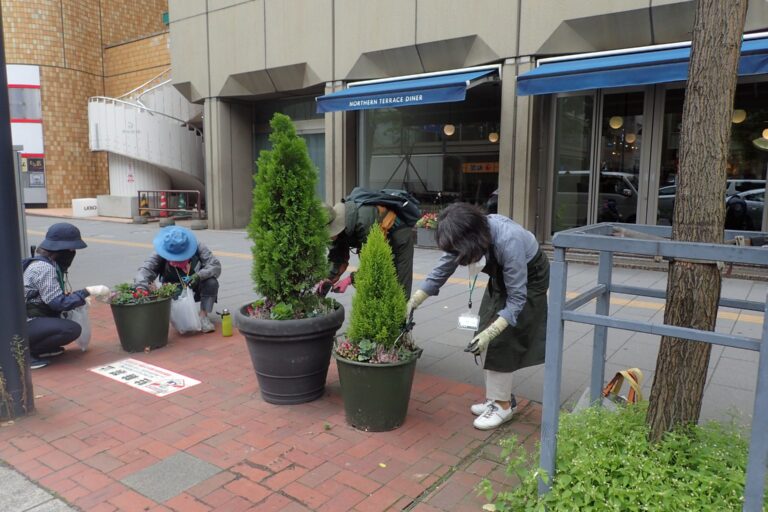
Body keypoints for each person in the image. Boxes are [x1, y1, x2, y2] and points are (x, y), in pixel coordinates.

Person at [406, 203, 549, 430]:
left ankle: (502, 406)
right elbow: (443, 268)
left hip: (530, 279)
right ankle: (496, 397)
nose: (457, 257)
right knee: (482, 330)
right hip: (503, 275)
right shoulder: (472, 235)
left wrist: (492, 332)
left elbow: (517, 300)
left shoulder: (508, 242)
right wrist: (415, 300)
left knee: (500, 341)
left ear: (471, 241)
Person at [23, 223, 110, 369]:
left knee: (66, 324)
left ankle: (42, 348)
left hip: (27, 318)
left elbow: (51, 296)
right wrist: (87, 292)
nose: (73, 252)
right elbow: (58, 303)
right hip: (22, 322)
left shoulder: (49, 264)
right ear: (61, 249)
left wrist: (78, 299)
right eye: (71, 249)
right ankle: (25, 354)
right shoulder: (44, 268)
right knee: (70, 329)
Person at [319, 197, 414, 298]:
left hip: (398, 238)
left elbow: (374, 262)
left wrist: (349, 280)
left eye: (329, 233)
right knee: (372, 287)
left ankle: (401, 312)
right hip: (373, 238)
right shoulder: (338, 227)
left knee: (398, 286)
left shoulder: (364, 223)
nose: (328, 237)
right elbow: (337, 258)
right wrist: (328, 278)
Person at [134, 226, 221, 333]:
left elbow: (215, 265)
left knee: (211, 282)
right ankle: (173, 316)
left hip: (195, 284)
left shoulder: (198, 247)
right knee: (154, 289)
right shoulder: (159, 253)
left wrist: (198, 276)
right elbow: (145, 270)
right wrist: (140, 287)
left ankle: (203, 316)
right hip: (173, 288)